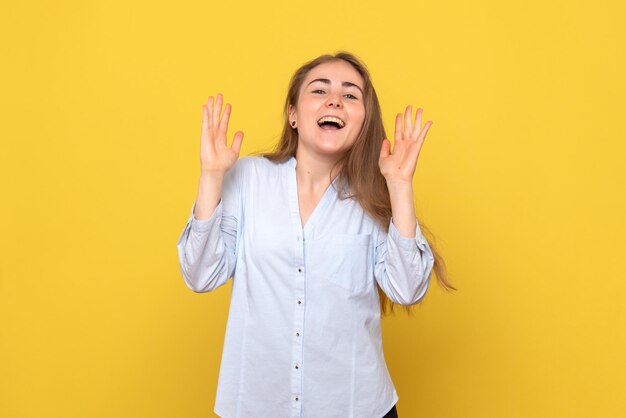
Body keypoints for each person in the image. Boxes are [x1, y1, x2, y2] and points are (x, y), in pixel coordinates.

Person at [176, 51, 455, 418]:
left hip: (356, 407)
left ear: (363, 120)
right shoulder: (247, 179)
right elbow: (199, 275)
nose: (335, 100)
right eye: (319, 90)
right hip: (257, 406)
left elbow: (406, 289)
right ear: (293, 114)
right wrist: (210, 176)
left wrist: (400, 186)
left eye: (351, 94)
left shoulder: (374, 195)